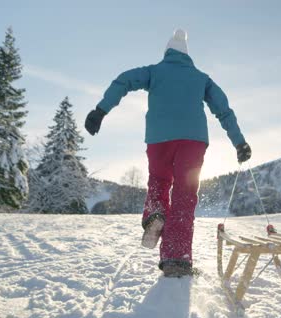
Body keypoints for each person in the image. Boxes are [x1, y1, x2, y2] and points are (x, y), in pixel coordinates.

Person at [85, 29, 251, 277]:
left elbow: (123, 80)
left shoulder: (154, 71)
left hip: (159, 138)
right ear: (187, 55)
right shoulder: (201, 78)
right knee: (184, 196)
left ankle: (155, 212)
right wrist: (240, 143)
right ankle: (177, 259)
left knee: (159, 181)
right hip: (193, 140)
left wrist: (101, 110)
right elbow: (224, 110)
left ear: (167, 53)